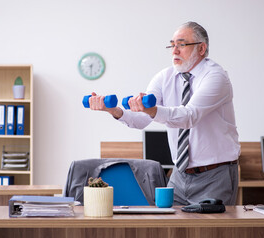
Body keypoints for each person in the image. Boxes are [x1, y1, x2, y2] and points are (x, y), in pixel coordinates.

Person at [88, 21, 240, 205]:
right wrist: (113, 110)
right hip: (179, 173)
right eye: (172, 45)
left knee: (209, 233)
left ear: (202, 48)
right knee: (172, 231)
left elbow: (189, 116)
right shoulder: (164, 77)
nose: (174, 51)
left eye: (182, 45)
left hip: (215, 175)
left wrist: (152, 109)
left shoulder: (216, 77)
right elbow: (142, 120)